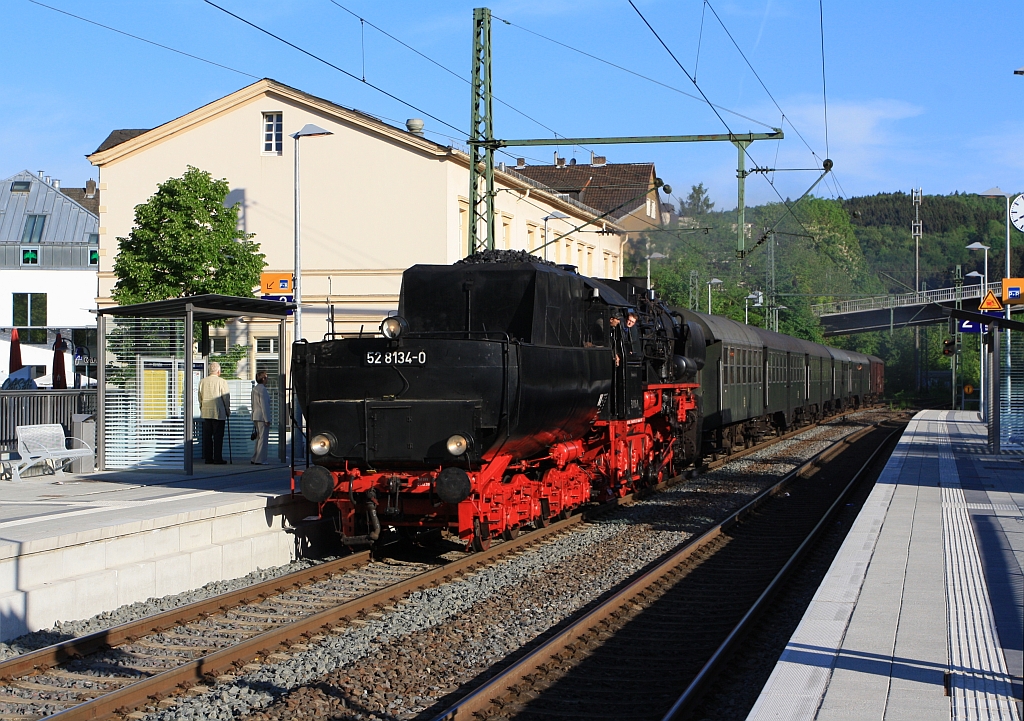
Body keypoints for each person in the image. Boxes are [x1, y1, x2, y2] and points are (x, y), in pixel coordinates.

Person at [198, 361, 230, 464]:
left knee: (207, 437)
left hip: (206, 412)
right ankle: (217, 458)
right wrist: (227, 410)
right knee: (218, 436)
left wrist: (201, 407)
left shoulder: (202, 381)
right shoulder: (222, 381)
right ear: (218, 371)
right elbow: (226, 397)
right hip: (218, 412)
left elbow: (200, 397)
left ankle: (208, 458)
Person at [250, 371, 271, 465]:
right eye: (266, 377)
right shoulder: (263, 390)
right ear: (263, 379)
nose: (267, 379)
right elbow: (264, 405)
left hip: (256, 415)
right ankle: (260, 459)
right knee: (263, 438)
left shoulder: (255, 389)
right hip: (262, 417)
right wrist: (267, 419)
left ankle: (255, 458)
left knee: (259, 438)